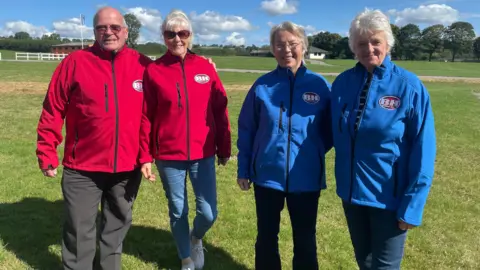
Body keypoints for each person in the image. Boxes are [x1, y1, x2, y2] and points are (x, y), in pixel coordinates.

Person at [36, 6, 153, 270]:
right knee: (79, 232)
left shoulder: (143, 64)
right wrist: (46, 151)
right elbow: (53, 108)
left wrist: (196, 60)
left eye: (114, 27)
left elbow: (159, 102)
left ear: (125, 31)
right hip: (82, 168)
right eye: (102, 28)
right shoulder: (75, 62)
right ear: (94, 32)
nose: (108, 32)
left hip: (127, 167)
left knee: (116, 229)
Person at [330, 9, 437, 270]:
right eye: (361, 43)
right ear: (353, 47)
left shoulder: (409, 86)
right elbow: (327, 132)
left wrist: (412, 203)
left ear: (388, 43)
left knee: (385, 267)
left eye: (375, 41)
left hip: (390, 198)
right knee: (364, 262)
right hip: (352, 195)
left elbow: (424, 150)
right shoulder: (342, 83)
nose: (369, 48)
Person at [138, 10, 231, 270]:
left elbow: (220, 109)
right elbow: (146, 115)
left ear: (190, 36)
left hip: (203, 153)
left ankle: (195, 238)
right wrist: (145, 155)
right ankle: (185, 257)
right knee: (178, 209)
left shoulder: (205, 67)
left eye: (183, 33)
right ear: (164, 37)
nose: (177, 39)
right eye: (170, 34)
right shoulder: (154, 70)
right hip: (168, 156)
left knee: (208, 212)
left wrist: (224, 147)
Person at [236, 21, 333, 270]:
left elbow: (331, 130)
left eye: (292, 44)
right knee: (266, 237)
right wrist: (244, 169)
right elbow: (247, 128)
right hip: (268, 176)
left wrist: (313, 152)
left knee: (305, 239)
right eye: (280, 44)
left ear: (304, 46)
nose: (286, 50)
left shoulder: (319, 86)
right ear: (272, 48)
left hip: (306, 178)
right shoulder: (262, 86)